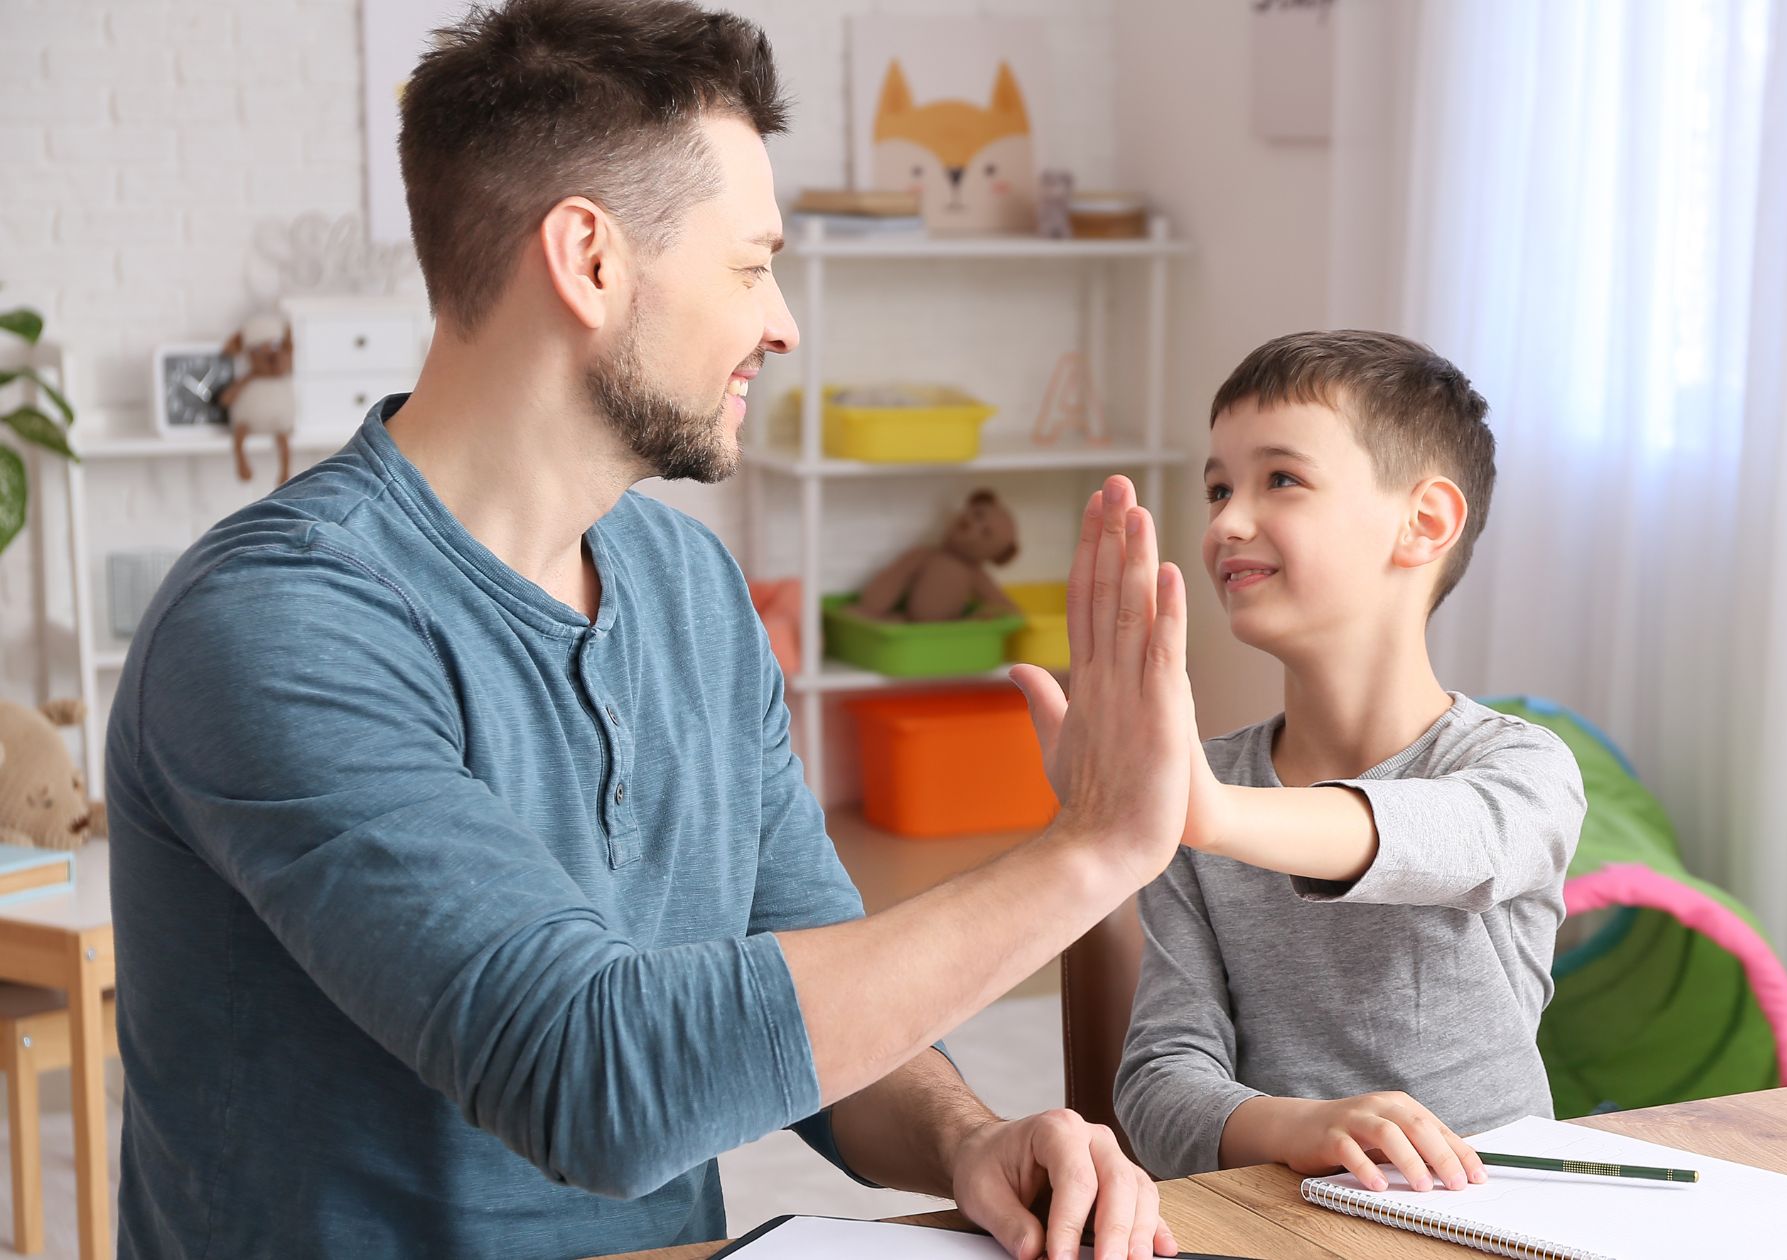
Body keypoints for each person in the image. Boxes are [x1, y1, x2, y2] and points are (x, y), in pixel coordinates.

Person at [106, 3, 1193, 1257]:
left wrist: (965, 1140)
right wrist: (1092, 850)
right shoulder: (280, 620)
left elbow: (817, 991)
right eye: (749, 266)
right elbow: (594, 1080)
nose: (781, 322)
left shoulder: (689, 585)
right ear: (590, 260)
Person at [1111, 331, 1586, 1187]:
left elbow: (1457, 843)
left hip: (1494, 1221)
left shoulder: (1523, 769)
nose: (1227, 520)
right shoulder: (1201, 797)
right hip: (1269, 1217)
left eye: (1280, 480)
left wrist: (1213, 815)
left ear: (1423, 523)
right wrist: (1302, 1128)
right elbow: (1157, 1090)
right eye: (1218, 488)